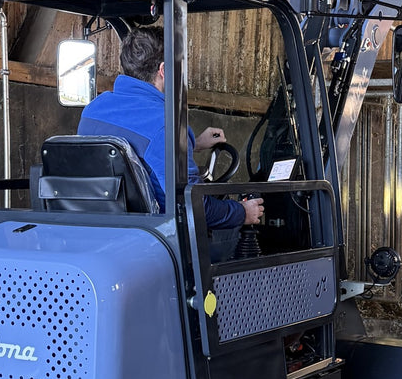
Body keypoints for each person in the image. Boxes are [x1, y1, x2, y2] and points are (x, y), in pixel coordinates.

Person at [78, 26, 264, 234]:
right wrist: (242, 212)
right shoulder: (165, 124)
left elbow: (138, 155)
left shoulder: (93, 110)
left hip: (98, 231)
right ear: (164, 70)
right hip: (154, 237)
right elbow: (194, 207)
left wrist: (191, 144)